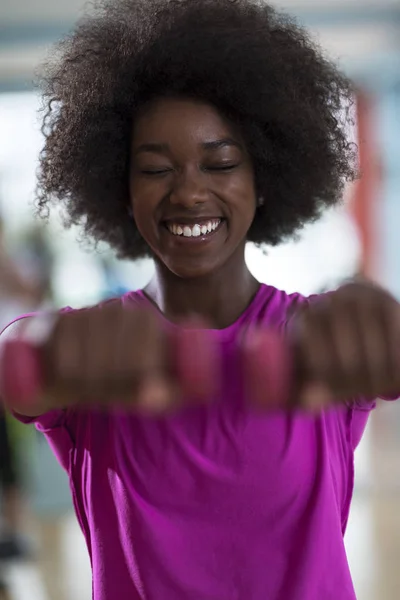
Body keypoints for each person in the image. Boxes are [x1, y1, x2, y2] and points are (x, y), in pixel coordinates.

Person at [1, 1, 399, 598]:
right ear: (121, 188)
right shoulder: (91, 352)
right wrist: (38, 347)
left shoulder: (317, 339)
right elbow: (18, 366)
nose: (189, 192)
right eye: (156, 169)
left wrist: (379, 322)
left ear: (262, 179)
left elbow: (384, 344)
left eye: (221, 163)